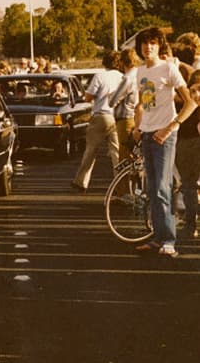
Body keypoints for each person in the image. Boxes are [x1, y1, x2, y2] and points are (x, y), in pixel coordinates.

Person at [132, 27, 196, 258]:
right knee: (152, 189)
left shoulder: (169, 68)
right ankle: (157, 237)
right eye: (144, 43)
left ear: (159, 46)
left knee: (162, 187)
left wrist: (171, 126)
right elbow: (142, 103)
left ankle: (169, 240)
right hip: (147, 134)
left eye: (153, 43)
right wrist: (137, 126)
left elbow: (190, 103)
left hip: (165, 135)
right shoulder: (140, 72)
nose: (148, 47)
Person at [71, 50, 122, 192]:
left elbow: (88, 97)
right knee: (116, 152)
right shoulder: (123, 77)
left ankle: (81, 181)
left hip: (101, 115)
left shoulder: (100, 76)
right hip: (117, 117)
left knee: (91, 150)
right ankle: (120, 183)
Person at [176, 70, 200, 239]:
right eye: (193, 90)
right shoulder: (184, 106)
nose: (196, 94)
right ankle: (191, 223)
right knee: (188, 185)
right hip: (185, 145)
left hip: (191, 144)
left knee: (190, 185)